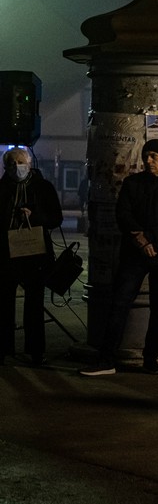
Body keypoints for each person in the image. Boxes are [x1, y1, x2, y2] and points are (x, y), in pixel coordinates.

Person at [80, 139, 158, 376]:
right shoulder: (133, 183)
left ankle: (151, 359)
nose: (148, 160)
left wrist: (150, 238)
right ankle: (106, 359)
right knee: (119, 303)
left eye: (154, 156)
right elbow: (123, 214)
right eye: (146, 156)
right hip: (135, 254)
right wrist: (142, 242)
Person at [1, 148, 63, 367]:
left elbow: (56, 218)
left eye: (21, 162)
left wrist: (34, 216)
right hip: (6, 253)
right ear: (6, 166)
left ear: (29, 163)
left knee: (34, 304)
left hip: (34, 253)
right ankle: (4, 348)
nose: (17, 167)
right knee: (4, 303)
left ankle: (35, 350)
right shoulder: (2, 188)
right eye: (12, 163)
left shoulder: (42, 187)